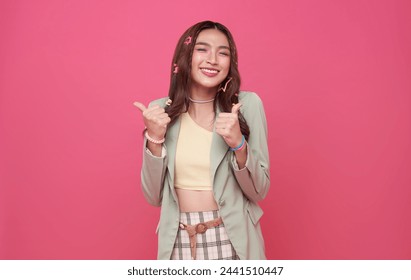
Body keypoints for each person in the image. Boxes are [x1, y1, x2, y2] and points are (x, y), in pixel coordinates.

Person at [134, 20, 270, 260]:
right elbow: (153, 197)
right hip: (179, 240)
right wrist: (154, 139)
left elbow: (259, 190)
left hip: (233, 237)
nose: (213, 60)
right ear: (185, 56)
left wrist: (239, 144)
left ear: (231, 62)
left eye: (223, 53)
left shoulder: (247, 106)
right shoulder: (160, 111)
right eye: (202, 49)